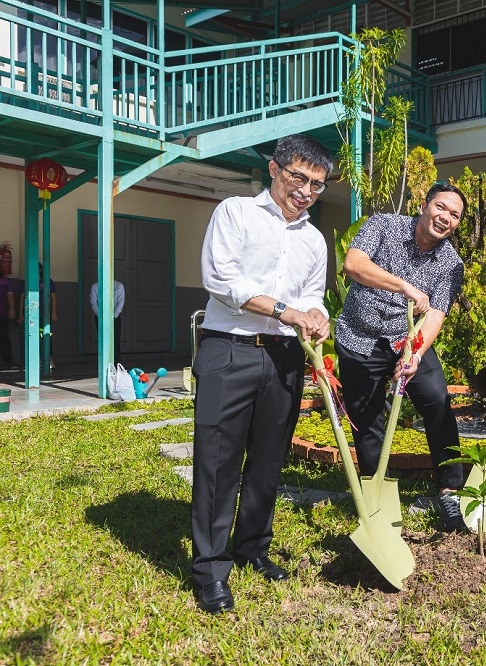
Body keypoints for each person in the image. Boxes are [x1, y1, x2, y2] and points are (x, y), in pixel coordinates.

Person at [191, 134, 332, 615]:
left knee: (269, 461)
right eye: (298, 177)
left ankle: (253, 548)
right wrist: (289, 311)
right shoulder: (235, 213)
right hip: (227, 351)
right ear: (274, 170)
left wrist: (317, 316)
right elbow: (222, 280)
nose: (306, 190)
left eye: (317, 184)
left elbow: (314, 294)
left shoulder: (314, 239)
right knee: (218, 461)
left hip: (285, 359)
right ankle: (210, 569)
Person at [335, 182, 468, 533]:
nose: (446, 218)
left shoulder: (451, 262)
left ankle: (450, 489)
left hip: (406, 340)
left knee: (438, 400)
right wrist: (405, 286)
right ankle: (375, 490)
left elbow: (436, 315)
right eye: (441, 207)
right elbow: (353, 264)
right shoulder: (383, 225)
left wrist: (416, 352)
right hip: (357, 337)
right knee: (367, 417)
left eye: (454, 215)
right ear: (424, 205)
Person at [17, 264, 57, 370]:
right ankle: (36, 360)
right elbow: (22, 298)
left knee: (46, 336)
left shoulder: (48, 281)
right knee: (33, 337)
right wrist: (20, 314)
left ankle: (48, 359)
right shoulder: (27, 282)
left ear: (40, 270)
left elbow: (53, 298)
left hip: (45, 315)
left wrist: (54, 312)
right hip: (31, 315)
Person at [89, 279, 126, 366]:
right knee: (102, 340)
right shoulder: (95, 286)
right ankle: (103, 363)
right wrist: (101, 316)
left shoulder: (118, 286)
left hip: (115, 318)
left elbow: (120, 302)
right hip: (100, 318)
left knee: (115, 341)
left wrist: (113, 316)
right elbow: (93, 302)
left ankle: (116, 364)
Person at [0, 257, 14, 370]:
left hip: (2, 313)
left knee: (4, 338)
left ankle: (8, 360)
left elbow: (10, 295)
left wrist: (11, 309)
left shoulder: (4, 280)